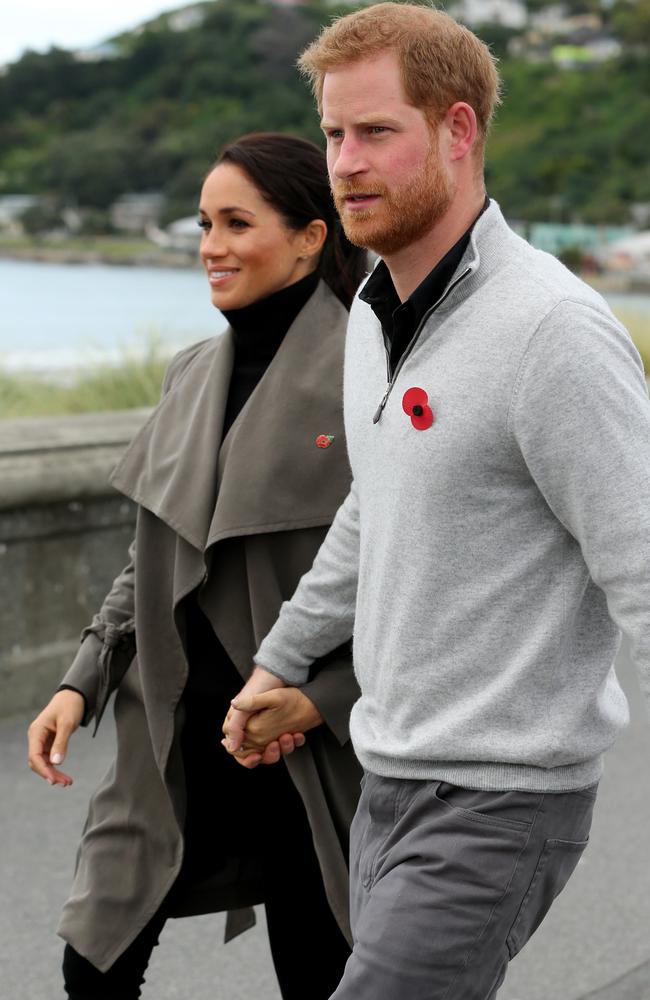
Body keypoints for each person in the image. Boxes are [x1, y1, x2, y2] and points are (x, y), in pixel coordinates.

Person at [223, 6, 650, 1000]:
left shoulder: (550, 331)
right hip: (388, 776)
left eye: (376, 131)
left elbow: (639, 560)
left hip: (501, 800)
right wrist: (281, 659)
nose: (346, 160)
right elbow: (373, 510)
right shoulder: (372, 315)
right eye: (333, 133)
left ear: (457, 131)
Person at [27, 131, 367, 1000]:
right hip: (175, 739)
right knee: (93, 962)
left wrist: (320, 701)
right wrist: (81, 681)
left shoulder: (371, 375)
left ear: (309, 236)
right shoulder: (192, 373)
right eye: (204, 223)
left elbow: (407, 577)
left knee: (321, 974)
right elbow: (153, 555)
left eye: (236, 223)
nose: (209, 247)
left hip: (304, 747)